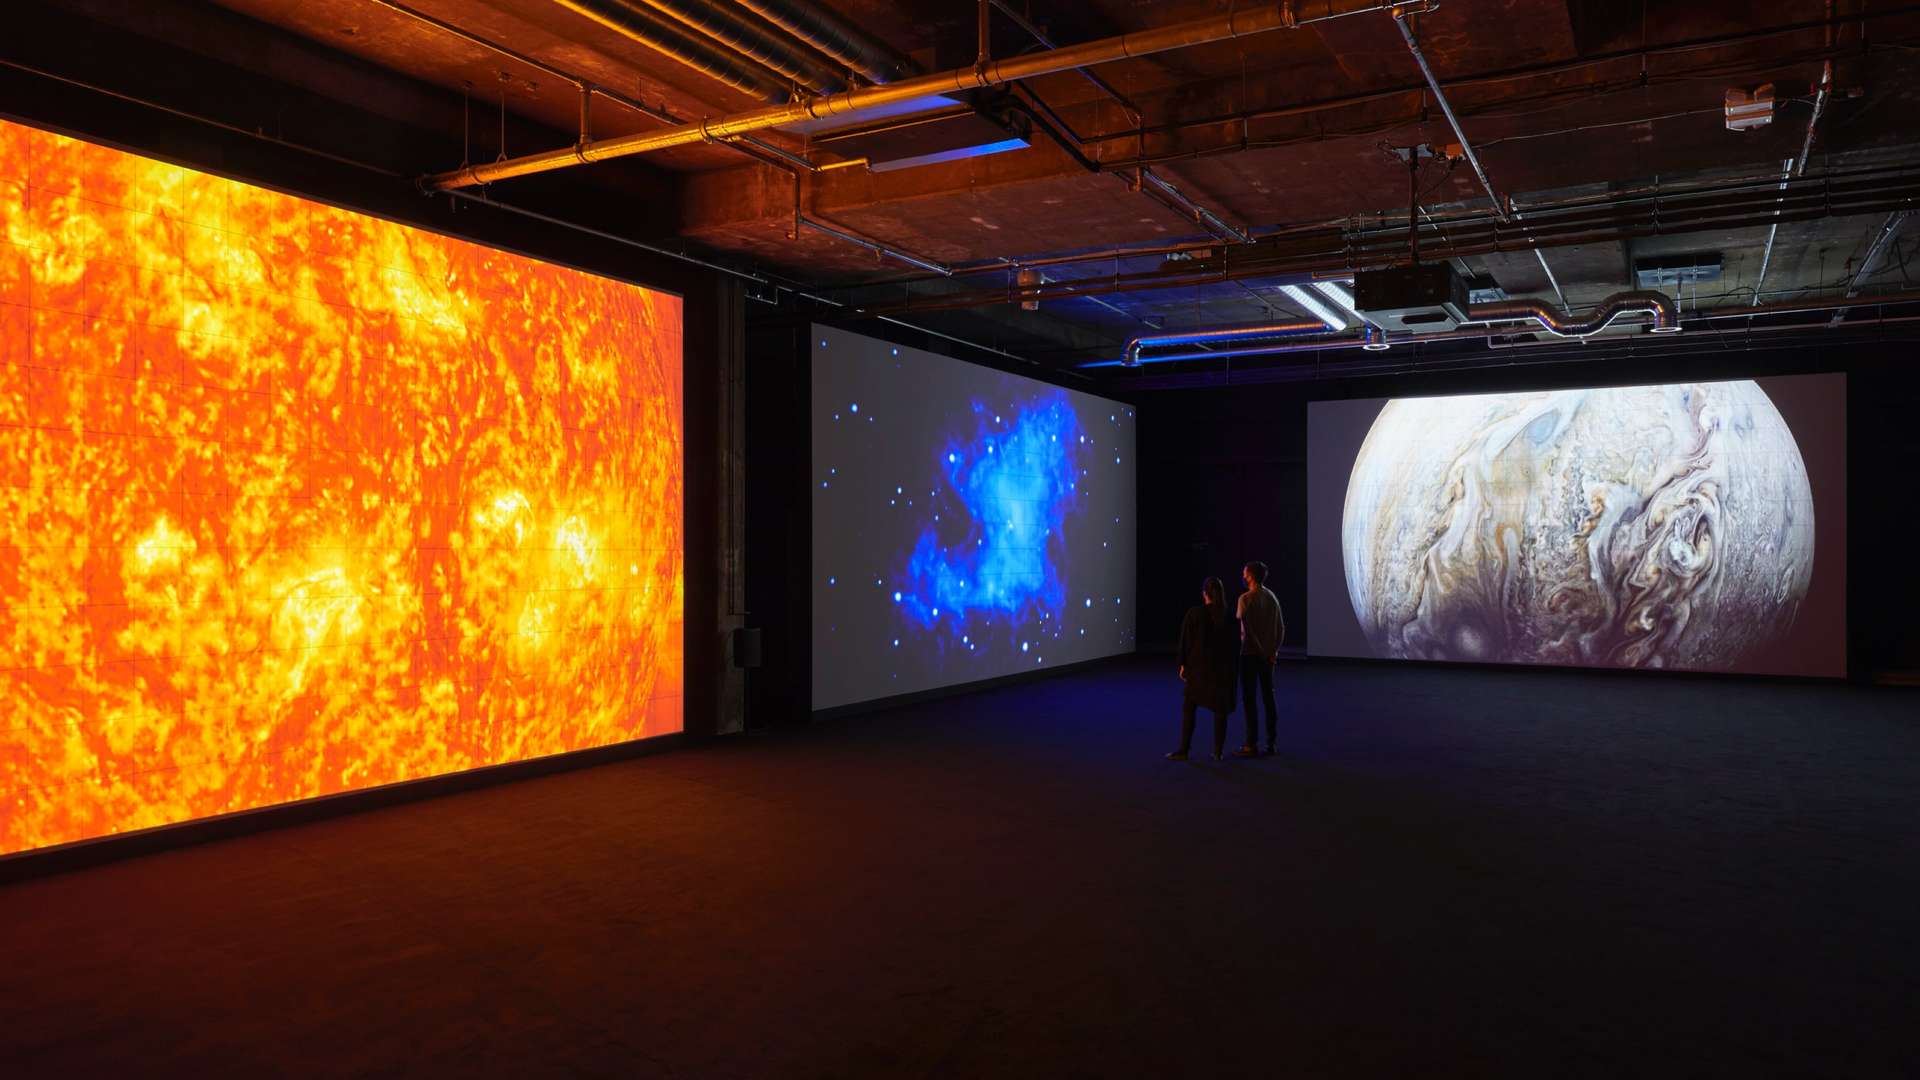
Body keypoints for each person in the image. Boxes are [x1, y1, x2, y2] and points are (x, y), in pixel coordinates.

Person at [1169, 577, 1237, 762]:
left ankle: (1184, 750)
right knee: (1220, 711)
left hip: (1198, 670)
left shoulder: (1195, 614)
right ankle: (1218, 752)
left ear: (1204, 593)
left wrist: (1183, 664)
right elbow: (1235, 645)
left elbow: (1185, 642)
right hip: (1222, 671)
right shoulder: (1229, 616)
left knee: (1189, 707)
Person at [1234, 561, 1285, 757]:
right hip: (1268, 657)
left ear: (1251, 576)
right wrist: (1273, 652)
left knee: (1249, 699)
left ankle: (1251, 743)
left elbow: (1246, 631)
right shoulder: (1272, 597)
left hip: (1249, 655)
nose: (1243, 576)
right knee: (1268, 697)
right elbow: (1281, 628)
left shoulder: (1245, 599)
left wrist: (1261, 650)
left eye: (1245, 573)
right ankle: (1271, 743)